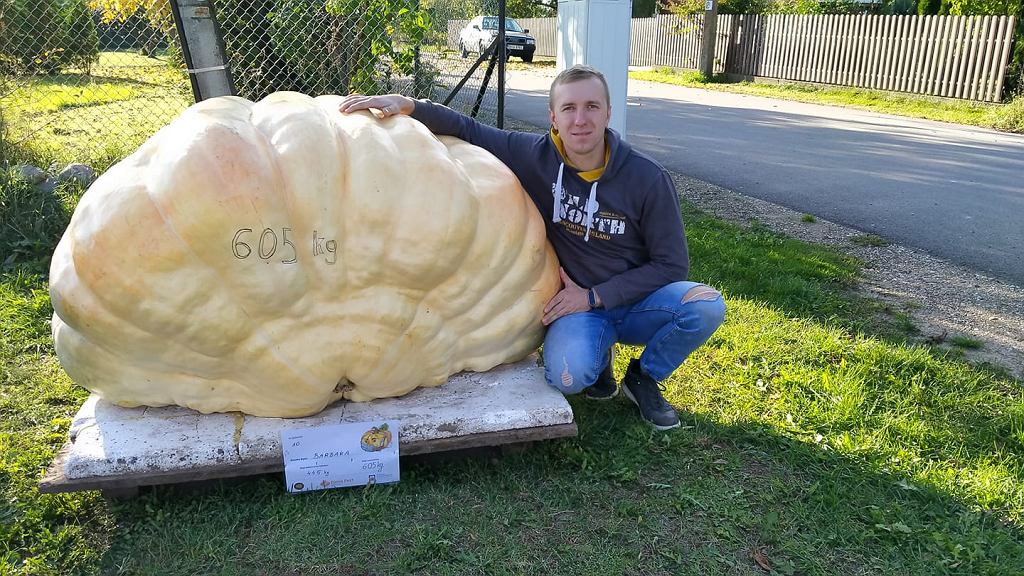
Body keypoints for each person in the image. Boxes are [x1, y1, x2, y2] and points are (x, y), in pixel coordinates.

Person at [338, 65, 726, 430]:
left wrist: (595, 296)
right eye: (569, 108)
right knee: (568, 376)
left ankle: (644, 377)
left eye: (592, 106)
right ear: (553, 117)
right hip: (576, 305)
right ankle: (599, 354)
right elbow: (469, 129)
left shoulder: (647, 178)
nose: (581, 119)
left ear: (608, 112)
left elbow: (672, 265)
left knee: (706, 307)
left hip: (637, 300)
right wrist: (408, 105)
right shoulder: (536, 156)